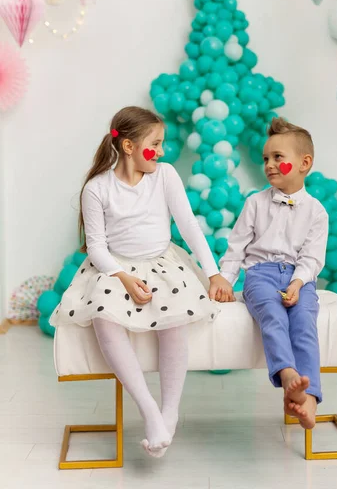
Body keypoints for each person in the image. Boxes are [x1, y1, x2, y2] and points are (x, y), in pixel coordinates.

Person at [50, 106, 233, 457]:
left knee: (173, 319)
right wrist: (124, 277)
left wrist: (212, 272)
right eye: (156, 144)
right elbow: (97, 247)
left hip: (163, 262)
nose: (161, 151)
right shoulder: (97, 189)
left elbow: (189, 226)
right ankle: (149, 409)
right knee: (103, 315)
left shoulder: (164, 176)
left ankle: (170, 411)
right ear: (130, 147)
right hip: (115, 266)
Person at [212, 117, 328, 429]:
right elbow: (236, 247)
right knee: (272, 316)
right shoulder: (255, 203)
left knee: (304, 321)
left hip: (298, 277)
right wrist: (226, 278)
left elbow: (312, 256)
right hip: (260, 275)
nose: (269, 164)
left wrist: (298, 282)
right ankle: (287, 373)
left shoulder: (316, 212)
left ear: (304, 163)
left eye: (278, 157)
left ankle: (311, 400)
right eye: (266, 158)